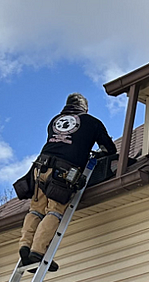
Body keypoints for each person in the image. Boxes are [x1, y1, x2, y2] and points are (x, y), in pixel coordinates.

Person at [18, 93, 117, 270]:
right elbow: (109, 149)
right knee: (55, 211)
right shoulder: (91, 122)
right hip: (63, 171)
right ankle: (37, 252)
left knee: (36, 209)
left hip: (39, 167)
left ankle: (25, 245)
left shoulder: (55, 120)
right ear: (84, 108)